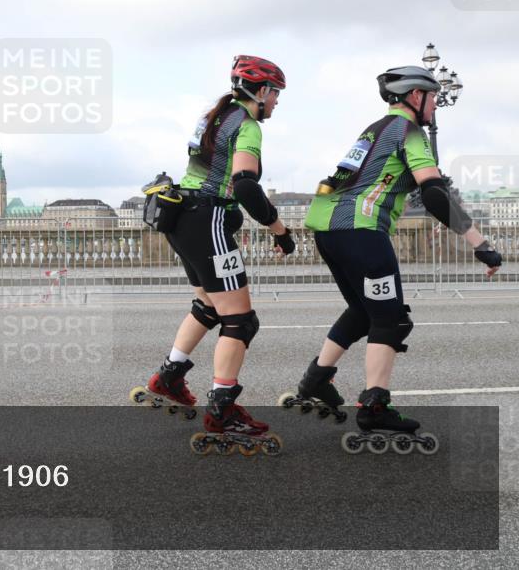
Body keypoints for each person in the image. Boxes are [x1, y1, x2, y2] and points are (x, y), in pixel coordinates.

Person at [296, 65, 502, 450]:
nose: (436, 104)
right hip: (361, 230)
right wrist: (480, 243)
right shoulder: (410, 132)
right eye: (433, 97)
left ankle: (316, 379)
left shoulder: (374, 129)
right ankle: (375, 407)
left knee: (363, 312)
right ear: (414, 96)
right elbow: (435, 194)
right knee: (391, 320)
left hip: (327, 228)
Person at [138, 55, 295, 451]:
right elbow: (245, 186)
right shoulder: (247, 125)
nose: (277, 101)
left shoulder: (213, 116)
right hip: (208, 220)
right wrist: (280, 230)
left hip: (182, 218)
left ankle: (169, 377)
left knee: (208, 306)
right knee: (240, 321)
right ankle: (222, 411)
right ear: (262, 91)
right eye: (276, 94)